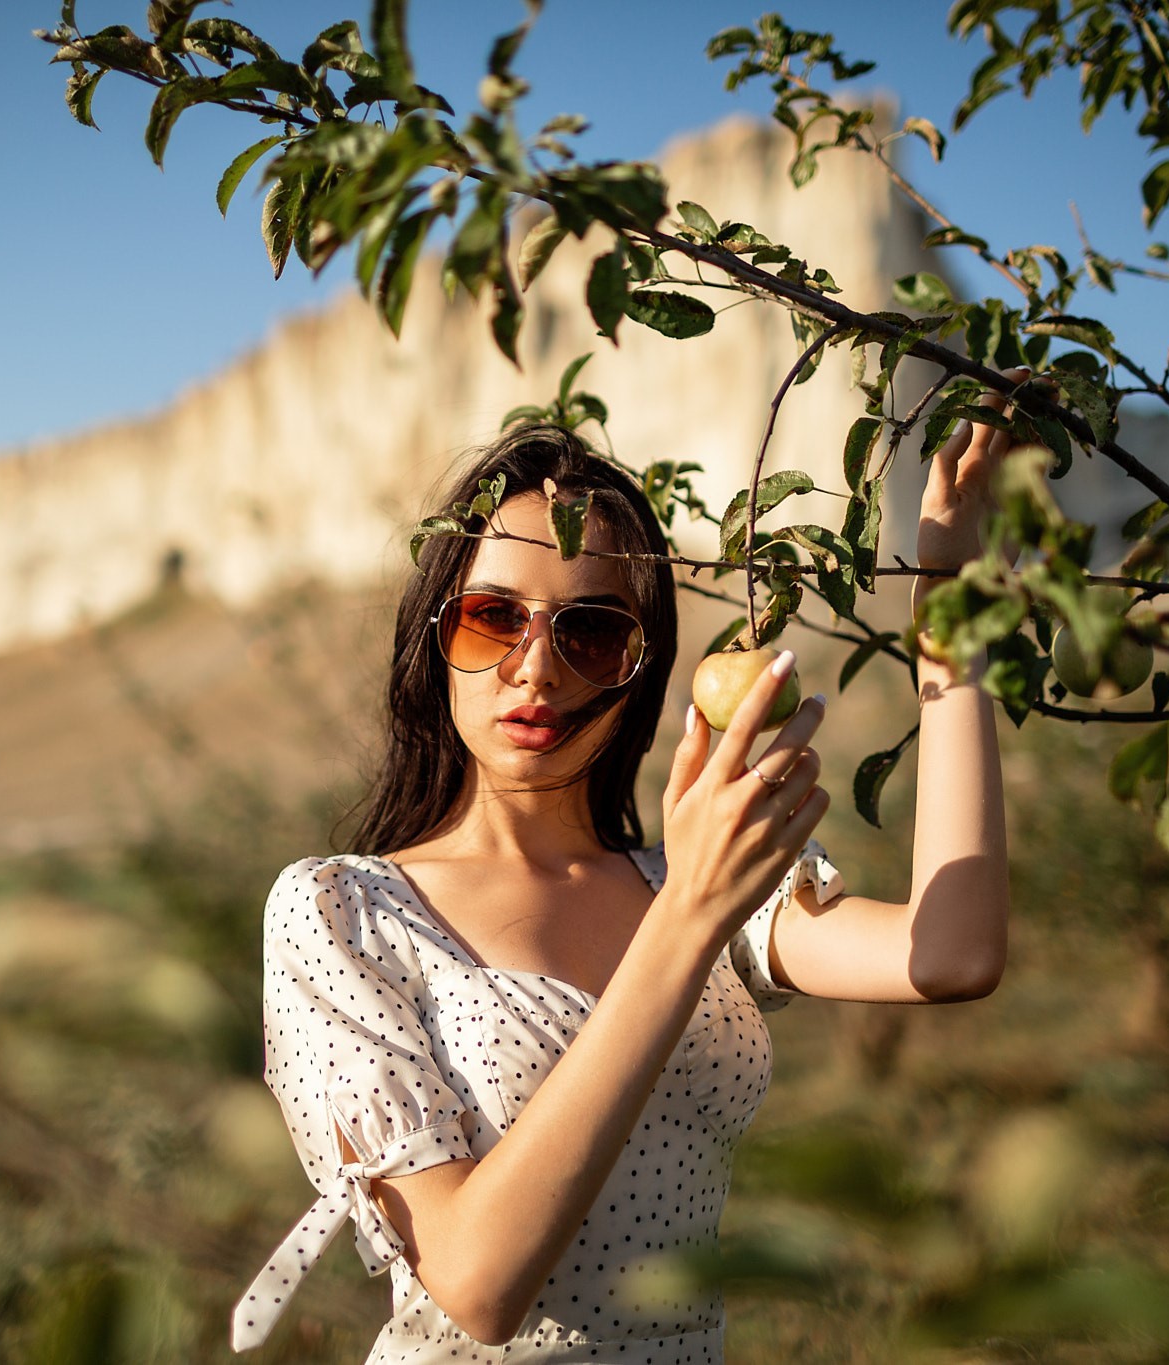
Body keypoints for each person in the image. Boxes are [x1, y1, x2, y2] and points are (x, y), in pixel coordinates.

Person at [231, 381, 1018, 1361]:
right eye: (490, 618)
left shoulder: (698, 879)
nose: (535, 667)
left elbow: (951, 952)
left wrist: (952, 622)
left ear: (636, 666)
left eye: (590, 630)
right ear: (433, 642)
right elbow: (476, 1285)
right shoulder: (343, 912)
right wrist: (686, 917)